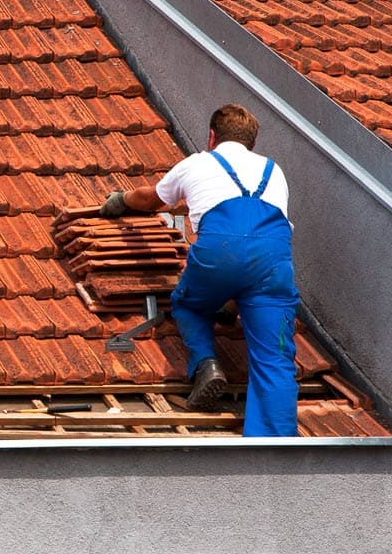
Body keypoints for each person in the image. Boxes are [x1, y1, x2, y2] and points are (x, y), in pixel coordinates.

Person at [101, 103, 300, 437]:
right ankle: (277, 450)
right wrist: (234, 303)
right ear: (251, 142)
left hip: (220, 251)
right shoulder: (273, 170)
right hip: (273, 260)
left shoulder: (199, 162)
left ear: (212, 136)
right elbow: (258, 243)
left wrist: (121, 200)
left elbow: (152, 199)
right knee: (275, 359)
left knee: (187, 303)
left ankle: (206, 364)